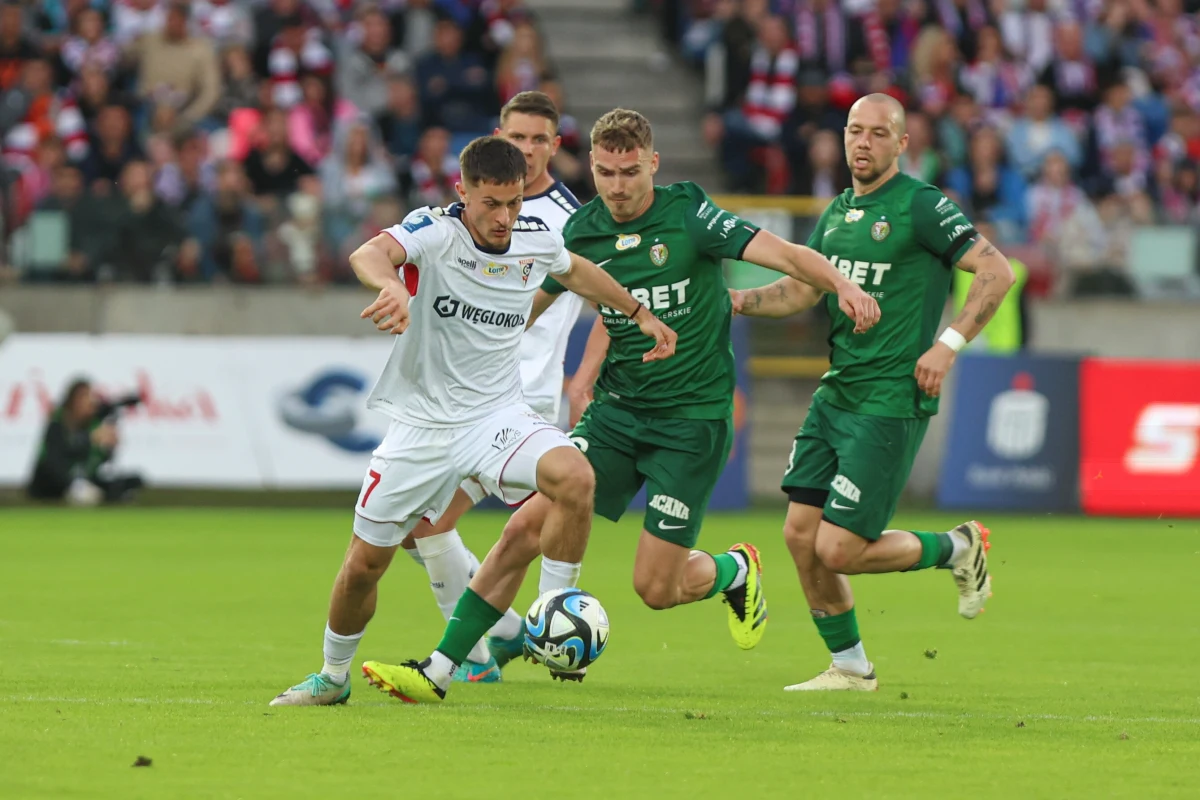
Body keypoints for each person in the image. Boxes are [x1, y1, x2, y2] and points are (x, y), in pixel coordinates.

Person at [358, 108, 880, 704]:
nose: (617, 185)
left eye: (630, 172)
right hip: (618, 414)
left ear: (652, 164)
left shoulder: (690, 214)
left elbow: (786, 255)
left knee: (656, 588)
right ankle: (440, 670)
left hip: (691, 424)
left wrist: (844, 285)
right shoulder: (580, 230)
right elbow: (530, 302)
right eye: (605, 172)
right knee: (525, 527)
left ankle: (734, 570)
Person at [269, 135, 677, 707]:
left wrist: (637, 312)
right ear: (463, 192)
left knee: (576, 477)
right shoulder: (434, 231)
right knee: (364, 564)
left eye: (512, 203)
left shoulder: (534, 238)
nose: (504, 217)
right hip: (421, 427)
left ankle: (550, 613)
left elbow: (579, 270)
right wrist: (391, 285)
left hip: (495, 416)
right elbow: (369, 253)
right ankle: (333, 677)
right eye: (491, 203)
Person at [731, 93, 1014, 692]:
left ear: (902, 143)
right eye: (854, 131)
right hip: (836, 393)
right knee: (800, 536)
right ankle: (852, 667)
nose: (863, 143)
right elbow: (803, 291)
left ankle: (957, 546)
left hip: (890, 397)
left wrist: (947, 344)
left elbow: (998, 272)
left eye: (878, 134)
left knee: (838, 547)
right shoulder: (835, 212)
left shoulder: (922, 206)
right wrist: (738, 301)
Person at [396, 91, 585, 685]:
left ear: (555, 145)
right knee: (416, 529)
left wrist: (584, 378)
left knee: (423, 526)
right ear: (498, 137)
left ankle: (487, 647)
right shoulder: (476, 212)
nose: (526, 150)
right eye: (516, 138)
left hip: (518, 400)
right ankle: (501, 635)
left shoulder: (568, 218)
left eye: (538, 140)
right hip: (464, 396)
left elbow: (604, 297)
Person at [27, 379, 144, 505]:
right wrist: (90, 439)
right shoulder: (58, 422)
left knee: (132, 481)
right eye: (85, 396)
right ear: (73, 401)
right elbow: (58, 457)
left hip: (83, 479)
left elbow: (97, 463)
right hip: (53, 483)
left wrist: (108, 447)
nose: (91, 401)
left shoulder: (94, 422)